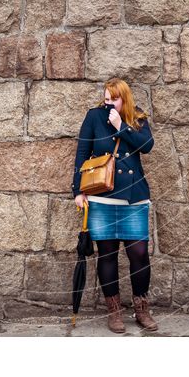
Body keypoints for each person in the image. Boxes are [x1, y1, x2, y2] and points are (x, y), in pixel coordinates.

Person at [71, 78, 157, 333]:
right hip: (102, 195)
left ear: (124, 99)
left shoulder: (138, 117)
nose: (108, 104)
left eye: (114, 99)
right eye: (106, 98)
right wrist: (78, 190)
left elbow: (148, 146)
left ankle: (141, 309)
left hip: (134, 197)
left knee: (139, 254)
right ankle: (114, 312)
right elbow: (82, 153)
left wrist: (122, 127)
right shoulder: (94, 117)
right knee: (107, 254)